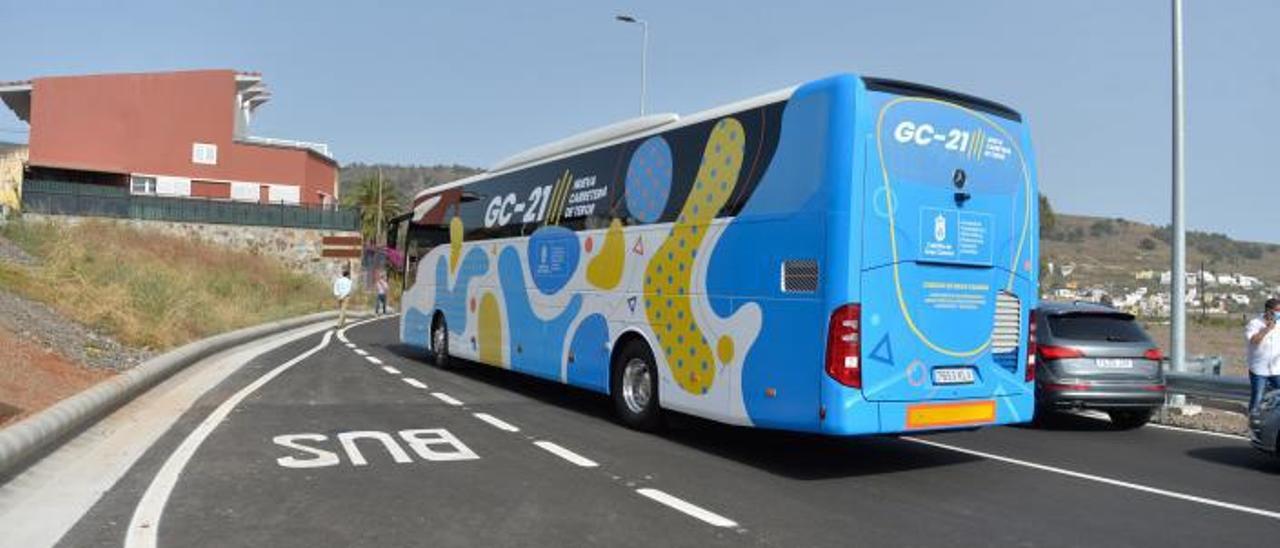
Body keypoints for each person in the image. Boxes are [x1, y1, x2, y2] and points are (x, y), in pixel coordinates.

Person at [1245, 297, 1280, 412]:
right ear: (1268, 310)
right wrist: (1267, 329)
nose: (1279, 313)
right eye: (1277, 310)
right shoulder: (1254, 323)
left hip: (1277, 369)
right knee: (1257, 398)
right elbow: (1254, 341)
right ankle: (1253, 421)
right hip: (1259, 370)